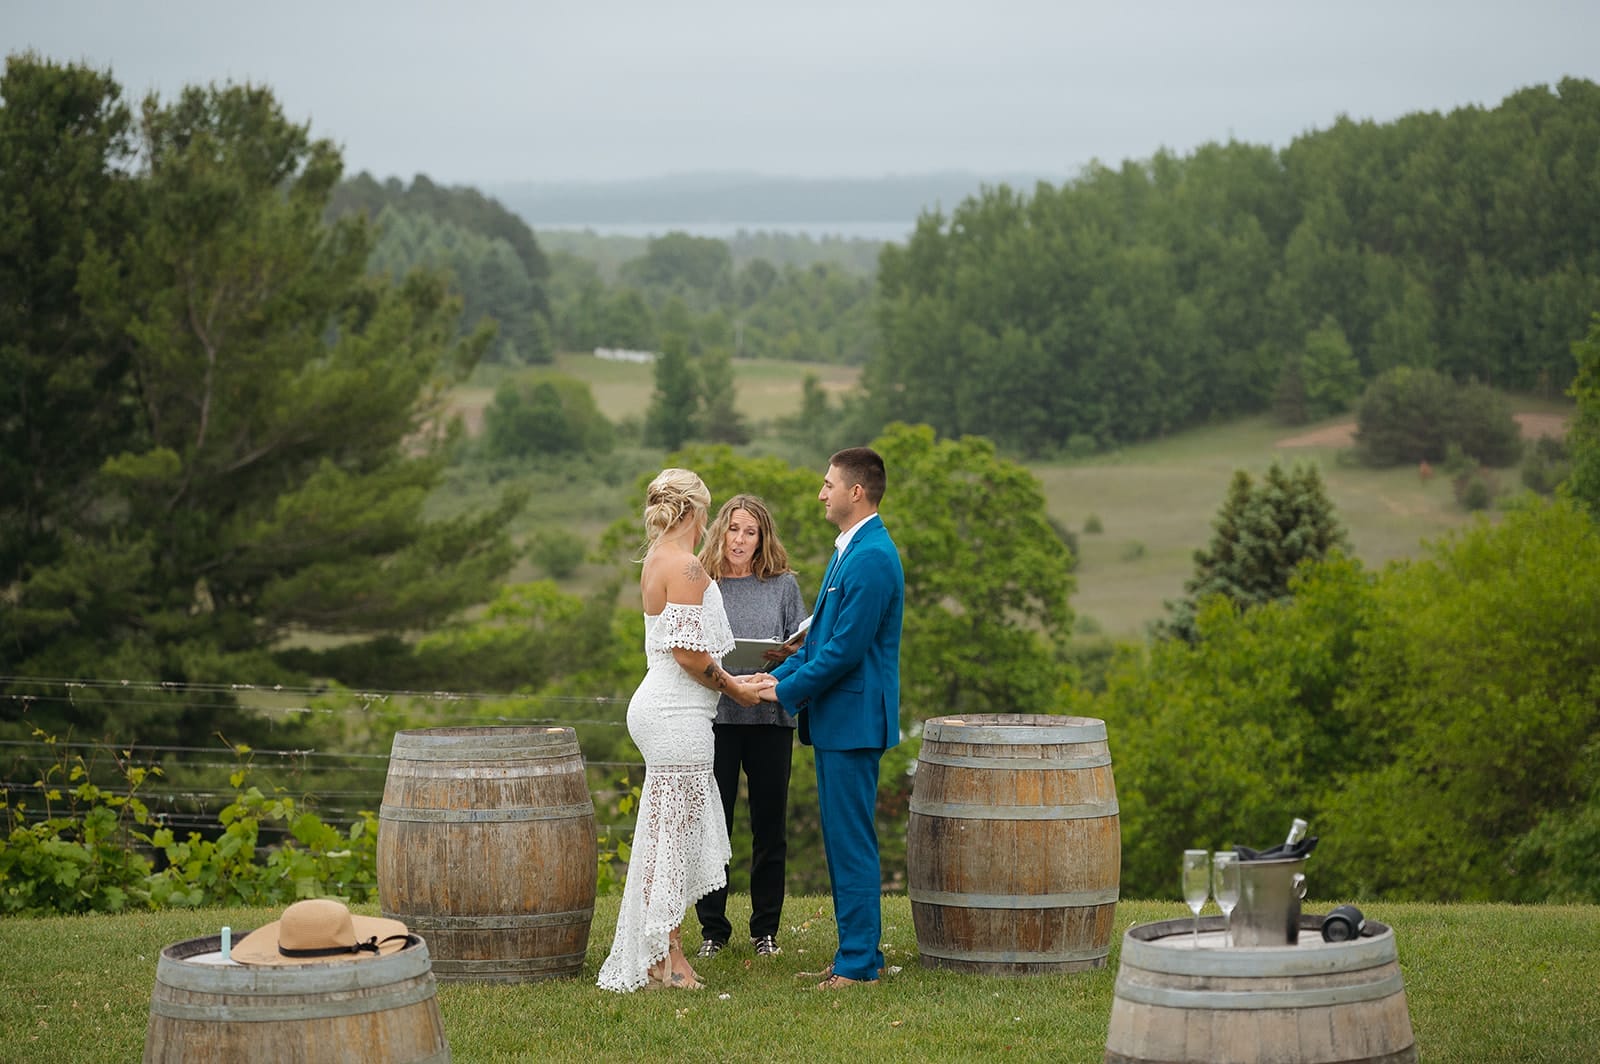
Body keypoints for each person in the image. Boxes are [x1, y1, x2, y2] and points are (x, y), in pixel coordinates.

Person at [597, 469, 765, 993]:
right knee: (675, 833)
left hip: (665, 706)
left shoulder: (656, 558)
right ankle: (662, 958)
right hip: (676, 712)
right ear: (696, 513)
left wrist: (735, 678)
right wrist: (736, 690)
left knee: (663, 834)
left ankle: (661, 951)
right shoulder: (687, 566)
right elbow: (689, 654)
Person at [756, 447, 903, 990]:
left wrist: (780, 694)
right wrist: (779, 674)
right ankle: (855, 951)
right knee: (843, 840)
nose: (821, 493)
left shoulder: (871, 557)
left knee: (851, 841)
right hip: (842, 719)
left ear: (855, 492)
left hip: (855, 720)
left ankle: (860, 963)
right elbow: (821, 639)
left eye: (828, 484)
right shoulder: (852, 550)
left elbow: (844, 651)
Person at [692, 494, 808, 961]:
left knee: (769, 827)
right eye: (735, 529)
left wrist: (773, 671)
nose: (740, 540)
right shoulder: (702, 583)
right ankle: (713, 932)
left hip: (769, 718)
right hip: (716, 719)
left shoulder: (782, 587)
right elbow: (691, 650)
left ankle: (766, 931)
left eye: (751, 532)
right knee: (712, 826)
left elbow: (802, 647)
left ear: (762, 539)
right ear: (721, 530)